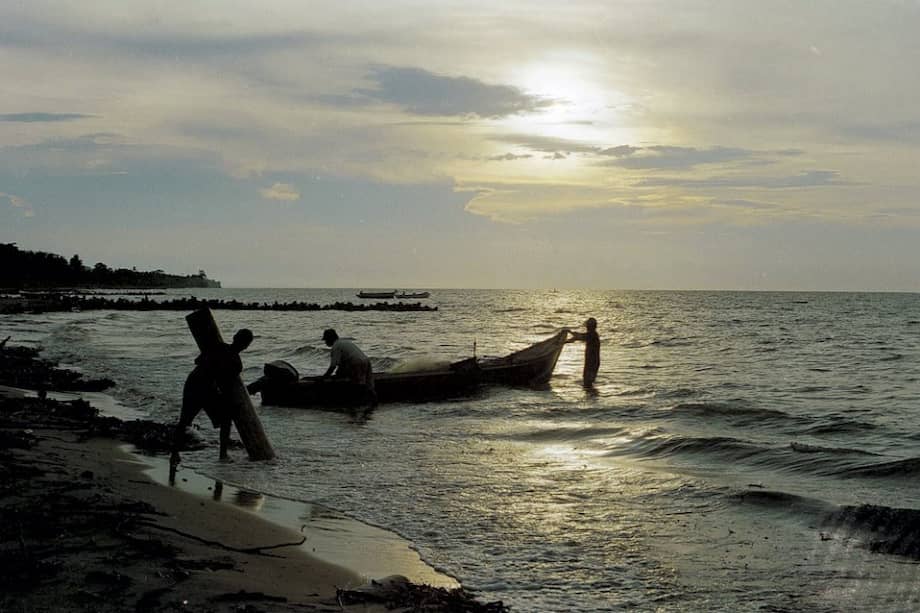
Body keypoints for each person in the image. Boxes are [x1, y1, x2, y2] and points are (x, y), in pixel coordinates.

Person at [171, 328, 254, 465]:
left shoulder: (218, 347)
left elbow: (197, 361)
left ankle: (174, 454)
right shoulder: (236, 363)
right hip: (207, 388)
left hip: (194, 382)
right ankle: (222, 455)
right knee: (226, 420)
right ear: (246, 346)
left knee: (184, 420)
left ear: (234, 337)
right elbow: (226, 386)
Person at [322, 328, 377, 407]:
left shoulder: (336, 346)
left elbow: (333, 366)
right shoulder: (345, 342)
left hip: (356, 363)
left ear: (330, 339)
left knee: (358, 385)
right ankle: (374, 402)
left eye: (326, 340)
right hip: (366, 360)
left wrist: (324, 377)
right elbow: (342, 364)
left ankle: (358, 404)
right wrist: (338, 374)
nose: (325, 342)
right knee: (368, 384)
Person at [566, 317, 600, 387]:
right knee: (588, 382)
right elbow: (577, 337)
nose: (587, 327)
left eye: (588, 325)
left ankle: (590, 396)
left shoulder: (592, 335)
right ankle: (591, 396)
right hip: (592, 361)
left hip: (592, 362)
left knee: (587, 382)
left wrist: (570, 332)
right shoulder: (592, 334)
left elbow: (579, 336)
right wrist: (567, 340)